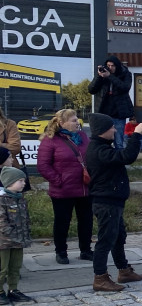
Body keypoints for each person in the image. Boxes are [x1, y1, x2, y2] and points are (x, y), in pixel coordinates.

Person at [85, 113, 142, 292]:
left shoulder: (102, 147)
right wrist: (137, 135)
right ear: (102, 131)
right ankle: (100, 277)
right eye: (111, 127)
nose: (114, 129)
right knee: (106, 240)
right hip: (106, 202)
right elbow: (127, 157)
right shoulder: (98, 150)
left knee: (118, 237)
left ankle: (124, 270)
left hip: (113, 201)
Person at [36, 109, 93, 265]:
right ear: (62, 123)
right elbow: (43, 165)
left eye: (77, 119)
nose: (77, 122)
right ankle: (61, 252)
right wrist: (59, 181)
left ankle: (86, 250)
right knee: (62, 222)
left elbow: (90, 156)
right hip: (63, 190)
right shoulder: (51, 140)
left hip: (84, 187)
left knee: (86, 221)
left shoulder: (82, 137)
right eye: (74, 120)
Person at [0, 166, 34, 304]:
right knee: (3, 268)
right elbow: (1, 222)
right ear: (9, 182)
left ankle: (13, 290)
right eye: (20, 180)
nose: (24, 183)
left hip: (19, 241)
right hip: (4, 242)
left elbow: (25, 219)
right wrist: (11, 234)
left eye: (24, 180)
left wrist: (26, 234)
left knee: (15, 267)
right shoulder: (2, 200)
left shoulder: (21, 199)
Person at [87, 56, 134, 148]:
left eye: (113, 66)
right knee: (101, 141)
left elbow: (125, 87)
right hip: (103, 113)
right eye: (108, 65)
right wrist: (99, 76)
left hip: (118, 113)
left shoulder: (126, 74)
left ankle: (120, 161)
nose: (110, 68)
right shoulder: (103, 75)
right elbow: (91, 90)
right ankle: (103, 160)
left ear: (118, 66)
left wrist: (110, 76)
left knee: (119, 142)